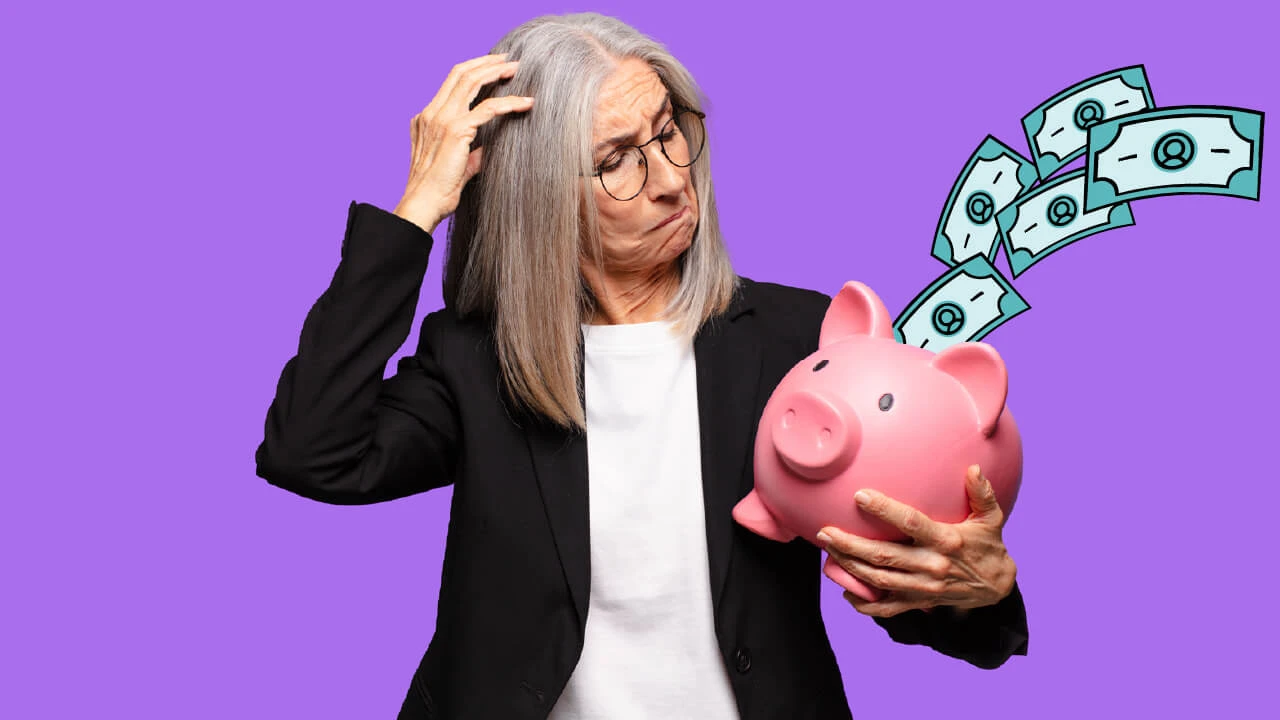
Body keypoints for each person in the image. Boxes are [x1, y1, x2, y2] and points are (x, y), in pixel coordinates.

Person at [254, 11, 1028, 720]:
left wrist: (983, 593)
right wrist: (417, 209)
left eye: (668, 133)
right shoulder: (476, 359)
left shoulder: (802, 341)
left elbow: (924, 576)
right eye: (617, 161)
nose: (669, 179)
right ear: (541, 197)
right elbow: (311, 454)